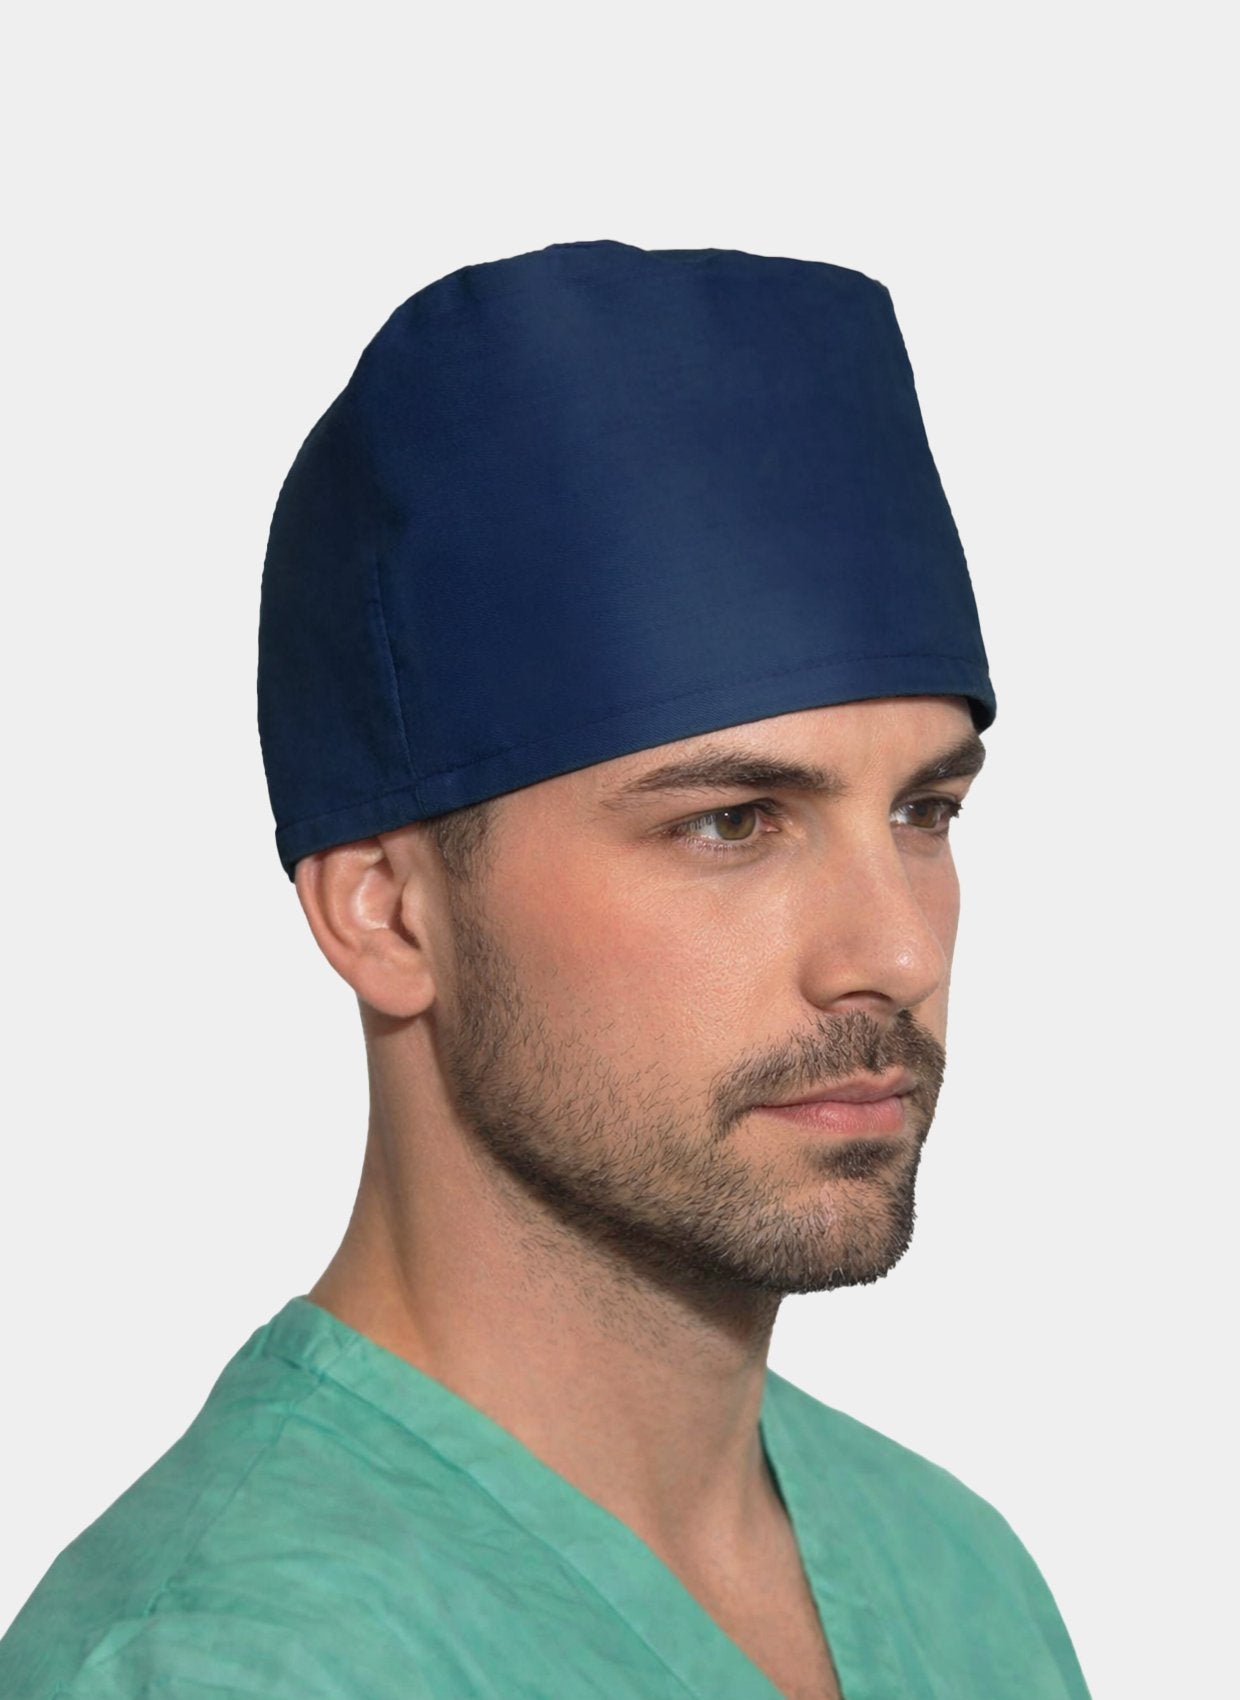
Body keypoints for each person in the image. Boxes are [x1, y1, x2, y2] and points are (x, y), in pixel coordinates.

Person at [0, 239, 1092, 1699]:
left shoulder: (955, 1577)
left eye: (924, 812)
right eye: (732, 822)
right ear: (388, 914)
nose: (894, 951)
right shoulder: (221, 1669)